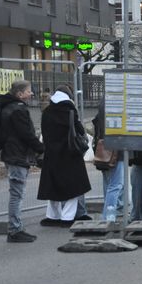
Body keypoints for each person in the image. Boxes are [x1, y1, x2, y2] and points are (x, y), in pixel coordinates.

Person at [37, 85, 91, 227]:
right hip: (70, 154)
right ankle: (67, 217)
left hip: (51, 155)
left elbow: (44, 133)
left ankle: (52, 216)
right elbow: (79, 130)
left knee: (53, 187)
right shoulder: (70, 111)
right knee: (73, 188)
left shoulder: (47, 112)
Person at [0, 80, 45, 242]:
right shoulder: (17, 110)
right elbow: (25, 134)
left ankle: (16, 228)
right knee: (17, 194)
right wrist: (41, 148)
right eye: (28, 91)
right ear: (19, 94)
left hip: (12, 154)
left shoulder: (7, 107)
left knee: (16, 193)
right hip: (17, 155)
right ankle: (14, 230)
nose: (31, 93)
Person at [92, 100, 124, 220]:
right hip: (115, 148)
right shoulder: (115, 102)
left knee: (109, 183)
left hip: (104, 147)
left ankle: (108, 214)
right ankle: (109, 216)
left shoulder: (103, 103)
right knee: (115, 185)